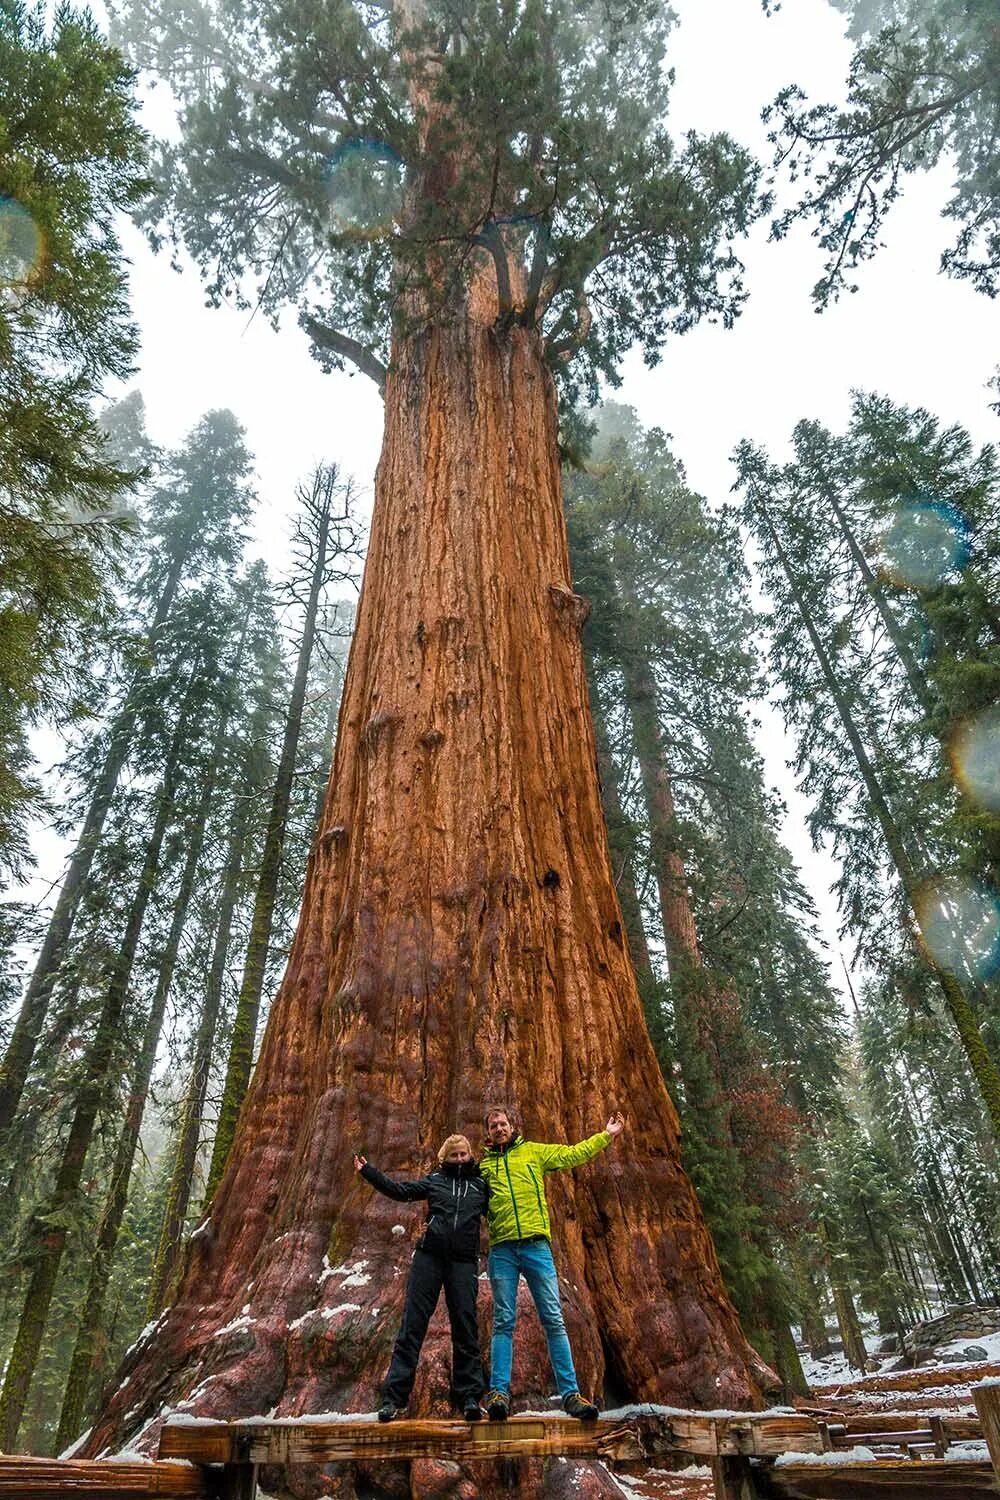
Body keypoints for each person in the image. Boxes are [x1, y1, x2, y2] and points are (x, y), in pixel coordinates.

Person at [479, 1105, 625, 1422]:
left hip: (536, 1246)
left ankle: (571, 1395)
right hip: (502, 1249)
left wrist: (606, 1135)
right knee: (503, 1321)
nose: (500, 1129)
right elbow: (460, 1191)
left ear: (511, 1125)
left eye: (503, 1123)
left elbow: (572, 1154)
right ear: (488, 1134)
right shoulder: (484, 1168)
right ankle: (499, 1394)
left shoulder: (533, 1152)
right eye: (493, 1126)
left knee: (553, 1319)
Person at [353, 1134, 488, 1423]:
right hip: (430, 1257)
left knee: (465, 1326)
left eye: (464, 1154)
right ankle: (394, 1399)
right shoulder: (435, 1181)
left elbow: (500, 1211)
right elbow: (401, 1191)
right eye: (454, 1155)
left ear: (470, 1154)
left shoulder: (481, 1185)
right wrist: (369, 1172)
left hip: (463, 1261)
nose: (460, 1159)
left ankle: (469, 1398)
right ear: (445, 1158)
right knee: (412, 1325)